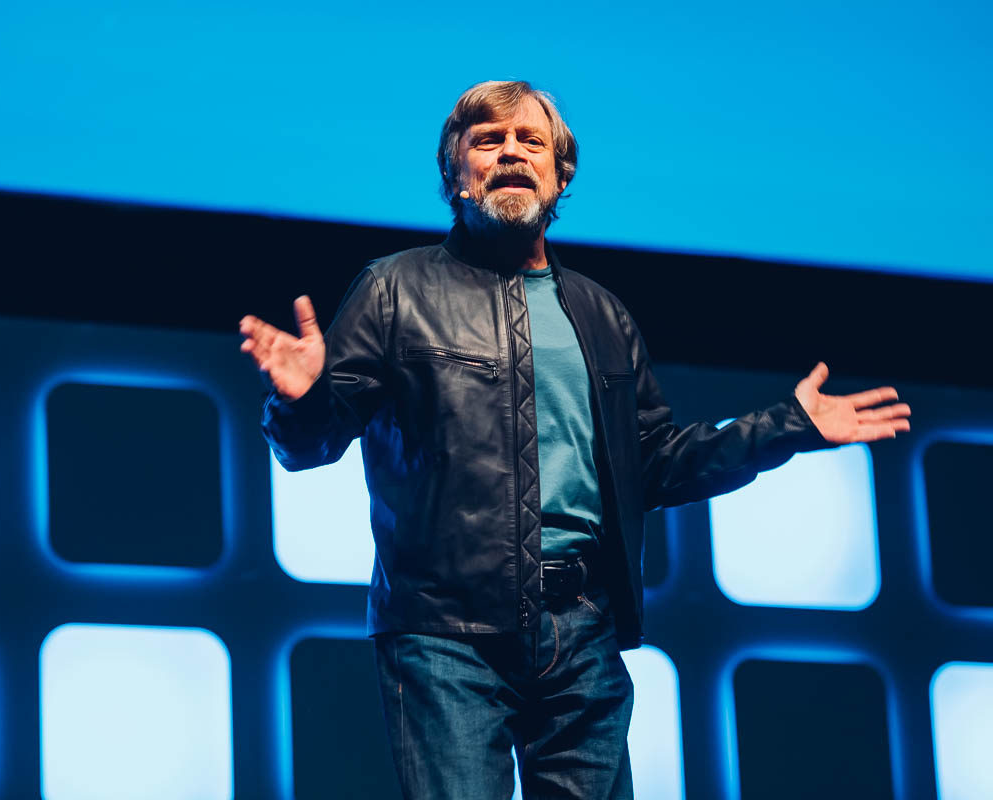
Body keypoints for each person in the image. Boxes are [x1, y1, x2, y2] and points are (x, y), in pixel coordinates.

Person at [238, 80, 911, 800]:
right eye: (487, 141)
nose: (511, 154)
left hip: (581, 633)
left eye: (531, 142)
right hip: (445, 635)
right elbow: (310, 447)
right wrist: (304, 398)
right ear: (455, 177)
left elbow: (654, 464)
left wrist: (786, 426)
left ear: (560, 178)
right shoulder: (395, 289)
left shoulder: (601, 313)